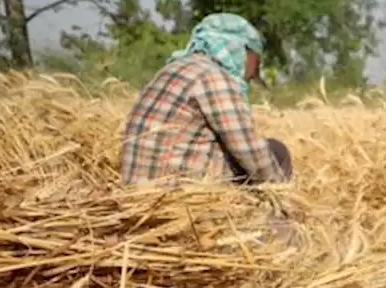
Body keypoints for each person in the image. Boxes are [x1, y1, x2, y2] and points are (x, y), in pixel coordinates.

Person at [119, 12, 293, 186]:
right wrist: (281, 190)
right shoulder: (213, 77)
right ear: (242, 50)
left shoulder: (172, 69)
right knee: (275, 151)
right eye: (256, 61)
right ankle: (276, 212)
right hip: (177, 193)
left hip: (138, 191)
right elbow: (249, 150)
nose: (254, 73)